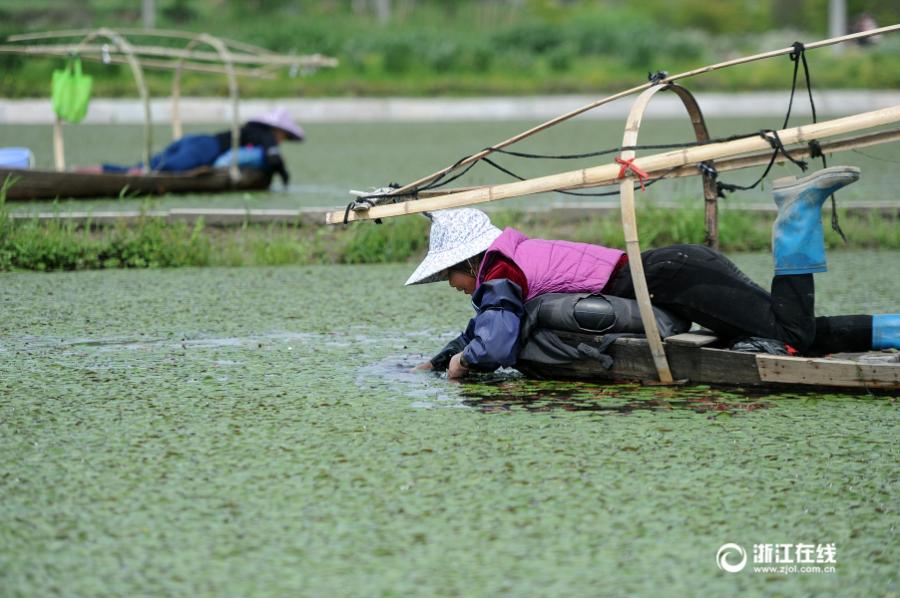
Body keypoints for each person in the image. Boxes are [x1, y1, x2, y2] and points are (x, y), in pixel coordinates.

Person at [407, 166, 900, 379]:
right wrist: (438, 359)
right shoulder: (509, 260)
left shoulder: (499, 270)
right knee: (793, 332)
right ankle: (892, 329)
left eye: (451, 275)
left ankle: (797, 217)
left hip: (673, 278)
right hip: (675, 272)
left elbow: (494, 340)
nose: (452, 286)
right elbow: (487, 323)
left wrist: (465, 366)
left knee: (788, 337)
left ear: (468, 261)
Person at [91, 107, 304, 186]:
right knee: (154, 171)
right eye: (283, 136)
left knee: (143, 166)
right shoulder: (266, 135)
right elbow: (274, 157)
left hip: (194, 141)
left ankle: (96, 170)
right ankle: (101, 172)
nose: (281, 140)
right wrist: (284, 176)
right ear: (278, 131)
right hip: (205, 149)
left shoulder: (251, 130)